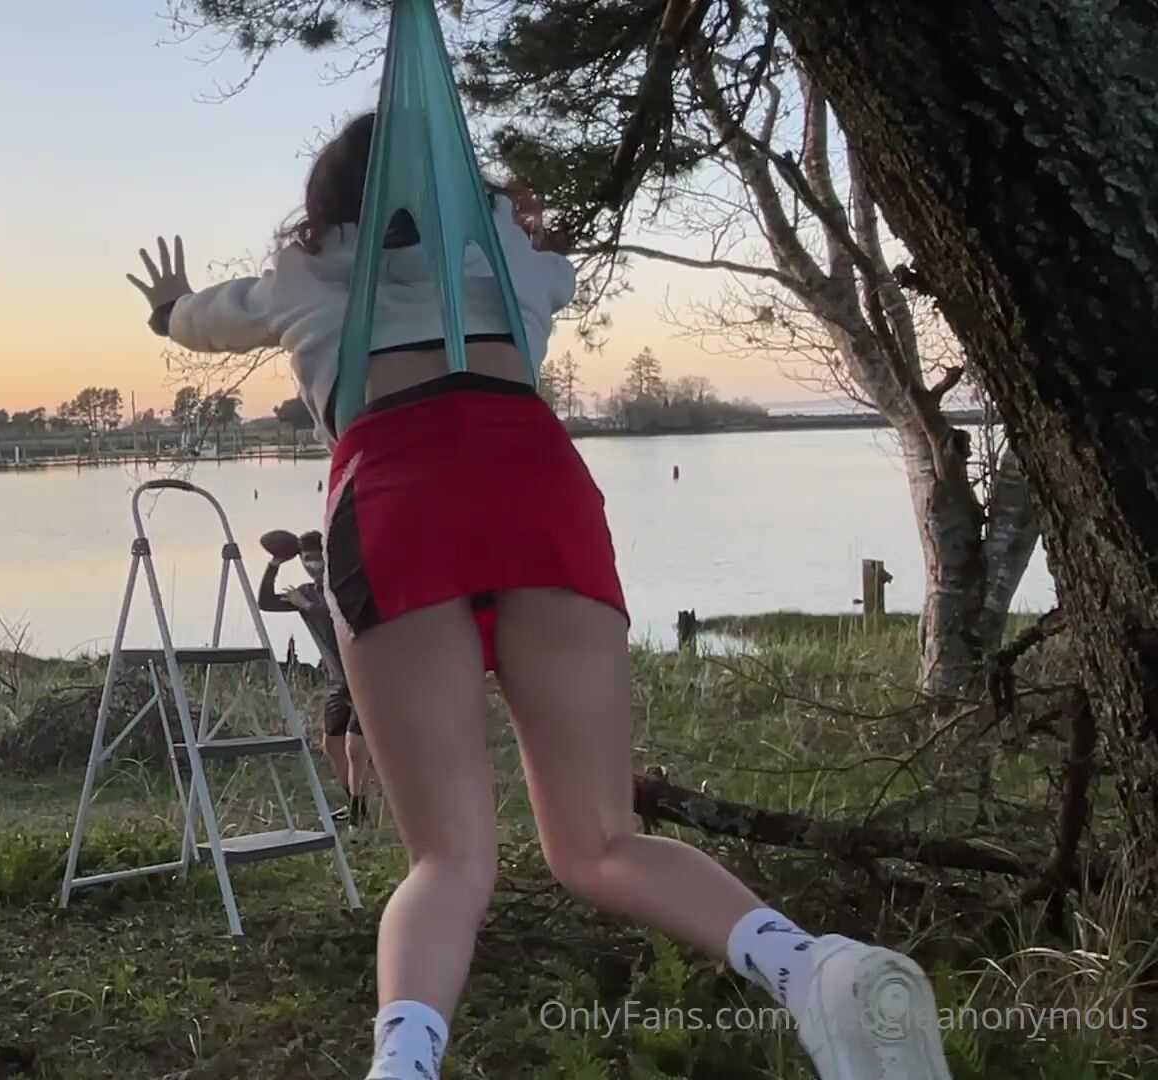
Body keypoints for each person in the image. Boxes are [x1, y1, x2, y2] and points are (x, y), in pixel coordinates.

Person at [125, 111, 951, 1080]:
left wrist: (169, 308)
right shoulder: (516, 259)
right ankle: (813, 971)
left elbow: (204, 321)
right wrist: (523, 225)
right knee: (597, 840)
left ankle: (404, 1066)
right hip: (535, 480)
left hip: (397, 491)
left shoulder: (303, 276)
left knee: (449, 862)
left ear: (328, 206)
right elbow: (558, 270)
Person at [258, 528, 373, 825]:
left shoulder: (345, 588)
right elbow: (266, 602)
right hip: (338, 682)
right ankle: (356, 806)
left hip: (365, 677)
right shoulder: (306, 592)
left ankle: (358, 817)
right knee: (332, 746)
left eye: (318, 557)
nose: (313, 564)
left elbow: (340, 620)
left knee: (355, 747)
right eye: (307, 559)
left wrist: (307, 607)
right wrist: (274, 564)